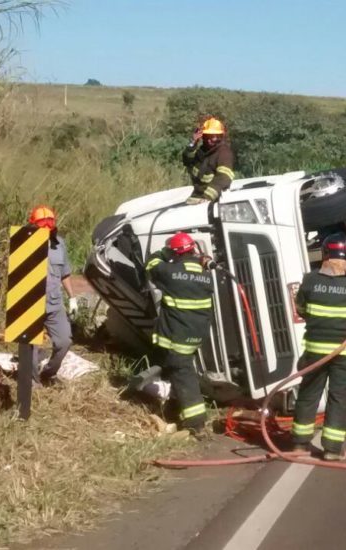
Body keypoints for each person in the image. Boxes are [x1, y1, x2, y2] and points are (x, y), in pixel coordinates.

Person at [290, 233, 346, 461]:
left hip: (315, 351)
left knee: (309, 394)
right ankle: (332, 450)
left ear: (325, 253)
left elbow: (301, 310)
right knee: (340, 398)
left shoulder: (309, 280)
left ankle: (299, 444)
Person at [139, 232, 216, 438]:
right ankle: (175, 408)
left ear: (175, 253)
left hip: (177, 335)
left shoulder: (171, 272)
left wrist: (162, 252)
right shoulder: (206, 276)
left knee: (183, 374)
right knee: (177, 369)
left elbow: (150, 265)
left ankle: (196, 424)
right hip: (196, 334)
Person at [27, 206, 79, 385]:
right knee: (30, 346)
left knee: (64, 341)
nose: (46, 230)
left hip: (54, 302)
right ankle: (32, 382)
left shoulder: (60, 244)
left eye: (49, 226)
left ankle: (48, 373)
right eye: (42, 226)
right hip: (31, 303)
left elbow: (65, 273)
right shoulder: (24, 245)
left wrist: (72, 297)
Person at [182, 117, 235, 204]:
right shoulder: (203, 151)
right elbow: (187, 161)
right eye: (208, 136)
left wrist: (206, 198)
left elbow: (223, 178)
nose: (211, 139)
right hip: (197, 196)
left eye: (214, 136)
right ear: (203, 137)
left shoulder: (224, 153)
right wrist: (193, 143)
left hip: (214, 201)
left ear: (220, 137)